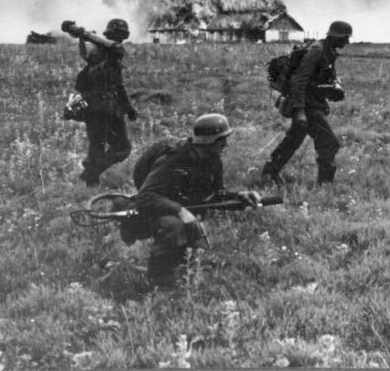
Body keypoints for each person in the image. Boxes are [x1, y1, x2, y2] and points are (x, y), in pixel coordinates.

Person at [132, 113, 261, 289]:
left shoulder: (213, 160)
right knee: (174, 227)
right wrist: (179, 210)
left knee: (189, 234)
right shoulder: (173, 159)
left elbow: (216, 194)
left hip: (180, 204)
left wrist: (240, 196)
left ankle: (181, 272)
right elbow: (145, 196)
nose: (225, 144)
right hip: (157, 205)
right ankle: (158, 284)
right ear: (208, 140)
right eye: (221, 140)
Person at [261, 21, 353, 186]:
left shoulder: (329, 51)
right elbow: (299, 81)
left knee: (294, 139)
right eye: (346, 38)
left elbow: (320, 80)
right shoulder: (317, 50)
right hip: (307, 105)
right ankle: (325, 185)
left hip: (313, 102)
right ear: (336, 36)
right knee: (328, 143)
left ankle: (269, 174)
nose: (348, 42)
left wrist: (333, 91)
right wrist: (300, 111)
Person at [75, 18, 138, 186]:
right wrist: (129, 108)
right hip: (108, 107)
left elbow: (117, 84)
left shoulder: (95, 52)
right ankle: (91, 174)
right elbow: (118, 85)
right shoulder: (112, 53)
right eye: (120, 36)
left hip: (93, 106)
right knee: (121, 147)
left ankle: (91, 176)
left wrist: (83, 36)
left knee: (97, 144)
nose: (121, 40)